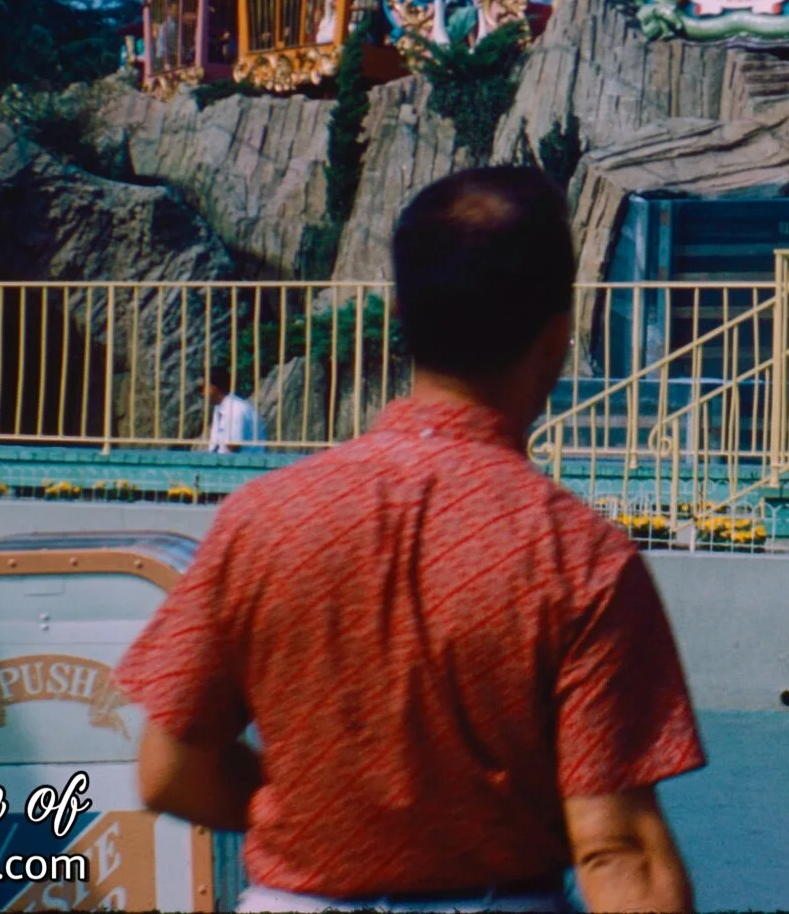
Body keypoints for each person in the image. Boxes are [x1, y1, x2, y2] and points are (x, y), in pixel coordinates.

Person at [118, 169, 703, 912]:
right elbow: (615, 847)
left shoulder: (262, 519)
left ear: (402, 315)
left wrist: (325, 818)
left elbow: (170, 770)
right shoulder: (579, 558)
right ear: (557, 334)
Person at [201, 365, 263, 453]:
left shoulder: (234, 409)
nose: (202, 393)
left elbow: (233, 447)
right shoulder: (221, 407)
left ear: (212, 389)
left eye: (203, 388)